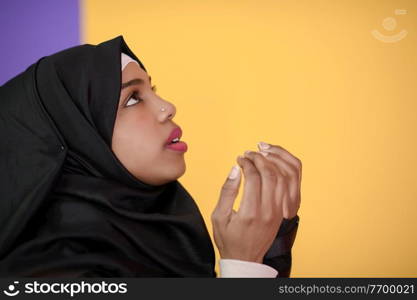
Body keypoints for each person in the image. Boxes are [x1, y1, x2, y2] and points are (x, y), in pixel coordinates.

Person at [0, 35, 301, 277]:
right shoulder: (47, 269)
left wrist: (269, 247)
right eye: (132, 98)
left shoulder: (164, 230)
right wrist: (243, 265)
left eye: (153, 89)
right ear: (79, 135)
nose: (167, 106)